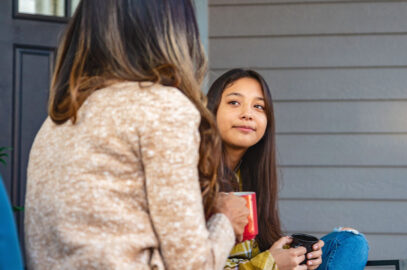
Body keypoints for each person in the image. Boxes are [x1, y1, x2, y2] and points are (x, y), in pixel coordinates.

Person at [24, 1, 249, 269]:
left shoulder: (54, 124)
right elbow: (192, 265)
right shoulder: (161, 106)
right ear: (173, 32)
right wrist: (225, 220)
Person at [207, 69, 369, 270]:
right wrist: (270, 264)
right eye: (234, 102)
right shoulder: (193, 175)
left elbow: (258, 252)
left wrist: (296, 254)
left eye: (258, 106)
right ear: (210, 110)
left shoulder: (251, 174)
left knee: (348, 243)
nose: (247, 114)